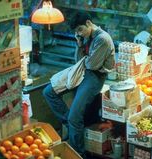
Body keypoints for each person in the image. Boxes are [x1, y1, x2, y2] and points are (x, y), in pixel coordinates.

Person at [42, 11, 115, 157]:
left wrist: (86, 58)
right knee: (48, 92)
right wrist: (79, 43)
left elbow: (92, 65)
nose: (79, 33)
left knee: (75, 118)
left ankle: (78, 154)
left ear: (88, 23)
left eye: (80, 29)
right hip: (81, 71)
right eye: (76, 31)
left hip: (95, 77)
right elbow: (79, 60)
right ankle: (72, 126)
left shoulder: (102, 39)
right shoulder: (86, 37)